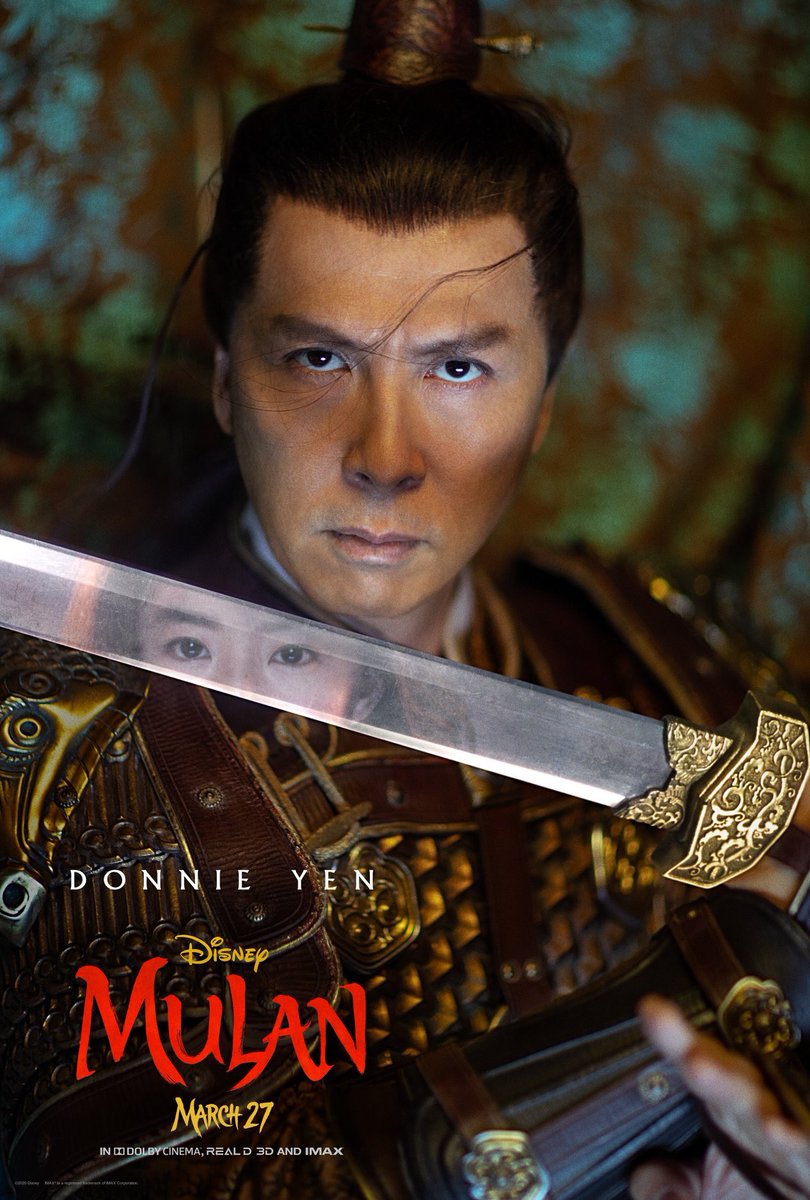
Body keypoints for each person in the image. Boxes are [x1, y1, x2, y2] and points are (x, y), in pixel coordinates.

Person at [1, 2, 809, 1199]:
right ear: (226, 383)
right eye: (318, 359)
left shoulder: (670, 664)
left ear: (545, 402)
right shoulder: (59, 755)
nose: (386, 457)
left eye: (458, 367)